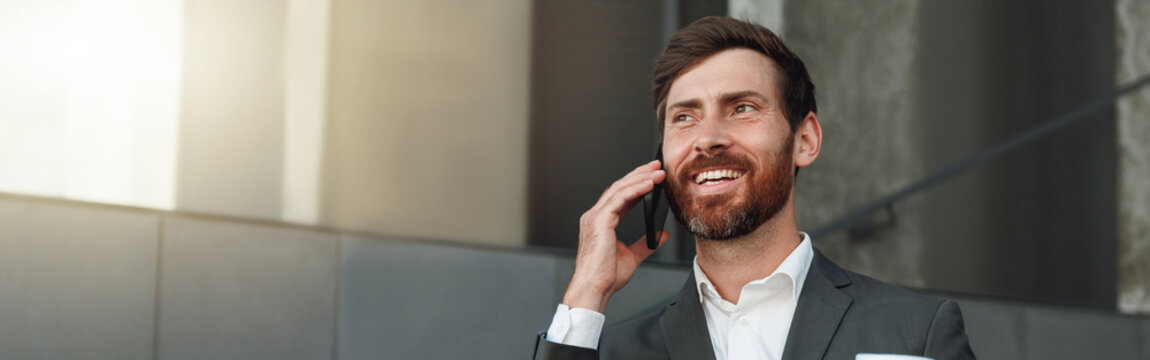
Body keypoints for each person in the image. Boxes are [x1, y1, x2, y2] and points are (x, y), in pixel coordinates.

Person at [532, 16, 976, 360]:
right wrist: (584, 296)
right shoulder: (607, 351)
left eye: (742, 107)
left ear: (805, 140)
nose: (707, 137)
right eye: (684, 117)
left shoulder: (919, 331)